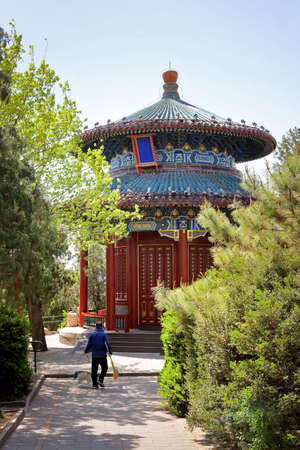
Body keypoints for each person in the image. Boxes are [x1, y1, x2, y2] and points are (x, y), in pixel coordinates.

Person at [84, 322, 112, 389]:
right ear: (102, 327)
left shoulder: (92, 335)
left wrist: (86, 350)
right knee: (105, 368)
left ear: (96, 327)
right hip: (102, 356)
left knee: (94, 370)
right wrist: (110, 352)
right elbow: (107, 344)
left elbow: (89, 345)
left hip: (95, 356)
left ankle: (94, 385)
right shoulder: (103, 334)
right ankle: (100, 380)